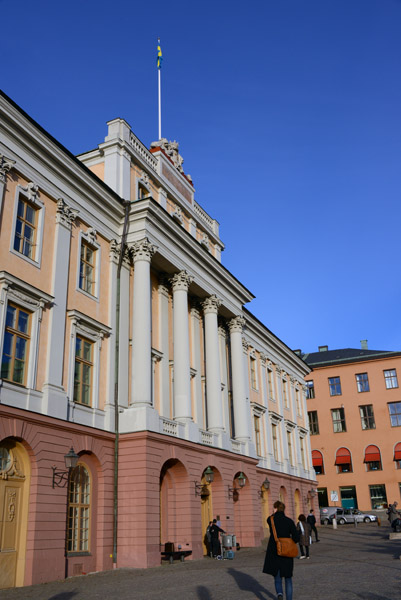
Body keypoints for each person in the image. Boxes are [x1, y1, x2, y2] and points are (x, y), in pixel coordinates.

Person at [263, 500, 299, 600]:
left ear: (275, 509)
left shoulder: (271, 520)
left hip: (274, 551)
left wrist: (274, 513)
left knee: (277, 577)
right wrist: (289, 541)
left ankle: (279, 593)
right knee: (288, 579)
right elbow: (296, 538)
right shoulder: (289, 521)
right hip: (287, 552)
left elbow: (269, 518)